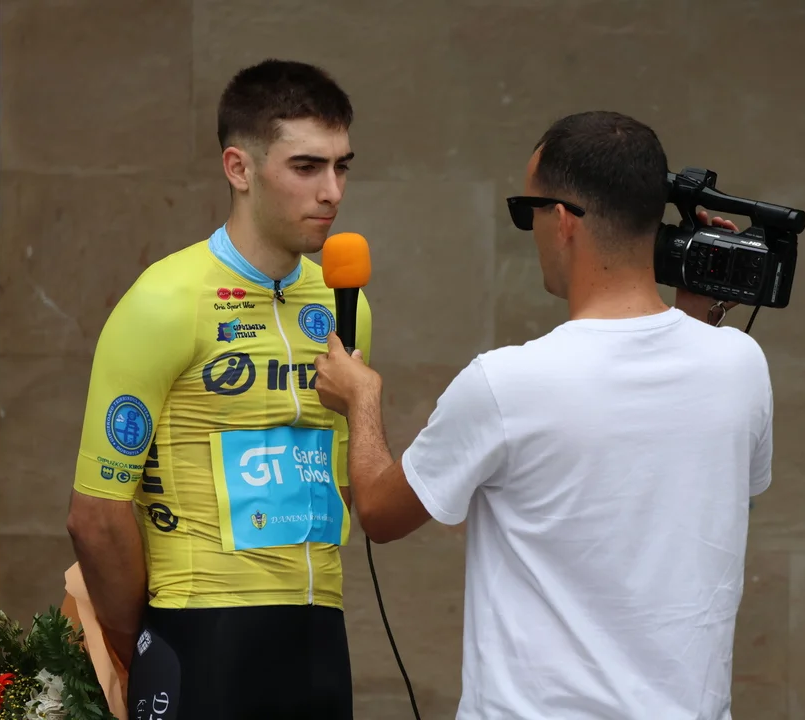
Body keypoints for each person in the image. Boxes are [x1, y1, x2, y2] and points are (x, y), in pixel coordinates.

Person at [312, 110, 774, 719]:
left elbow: (379, 512)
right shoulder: (741, 364)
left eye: (525, 210)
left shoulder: (507, 383)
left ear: (562, 221)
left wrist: (360, 399)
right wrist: (695, 316)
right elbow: (679, 482)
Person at [65, 59, 370, 720]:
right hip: (201, 632)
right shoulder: (165, 300)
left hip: (320, 632)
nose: (332, 192)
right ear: (239, 168)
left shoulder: (344, 304)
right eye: (306, 167)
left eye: (341, 167)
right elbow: (95, 515)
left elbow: (339, 479)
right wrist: (145, 642)